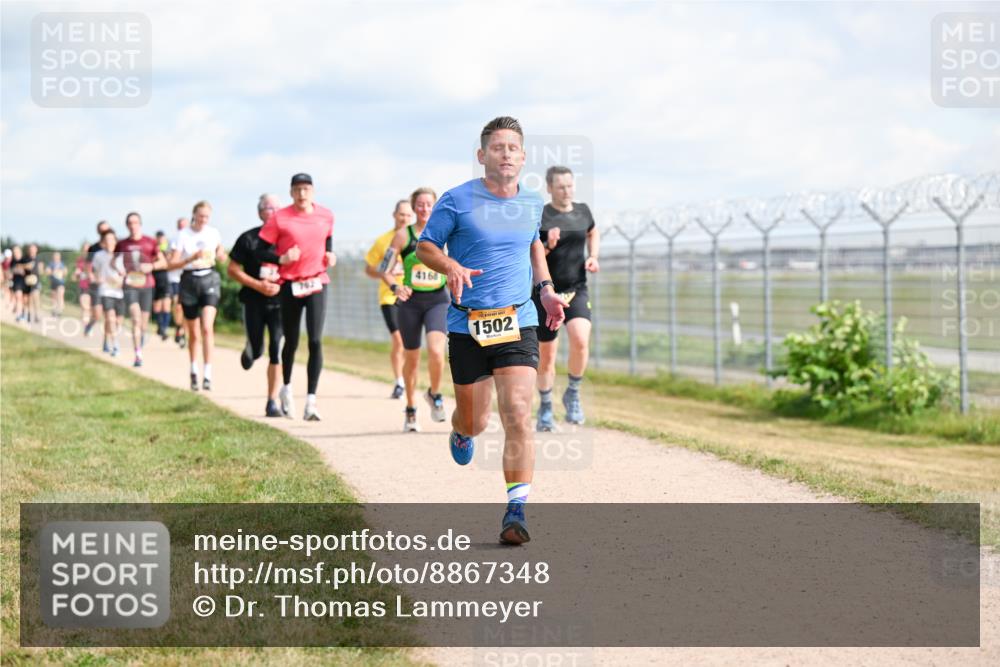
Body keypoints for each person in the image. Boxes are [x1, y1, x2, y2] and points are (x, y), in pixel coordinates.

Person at [416, 116, 567, 545]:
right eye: (497, 148)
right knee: (476, 420)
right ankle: (460, 430)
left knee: (518, 411)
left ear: (523, 157)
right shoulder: (456, 200)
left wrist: (546, 290)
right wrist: (450, 265)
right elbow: (425, 246)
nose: (506, 154)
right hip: (468, 324)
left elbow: (533, 245)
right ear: (482, 155)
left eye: (513, 148)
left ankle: (515, 511)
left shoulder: (532, 203)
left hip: (518, 319)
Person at [258, 173, 335, 421]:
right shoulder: (280, 218)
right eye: (297, 190)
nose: (302, 194)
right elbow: (260, 250)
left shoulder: (326, 215)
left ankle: (311, 401)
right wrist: (280, 258)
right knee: (291, 341)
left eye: (306, 189)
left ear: (313, 191)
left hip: (317, 282)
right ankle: (287, 388)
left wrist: (330, 255)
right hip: (290, 284)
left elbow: (327, 240)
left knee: (315, 340)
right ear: (291, 193)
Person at [533, 166, 600, 429]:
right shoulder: (541, 216)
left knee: (581, 340)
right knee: (547, 356)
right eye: (561, 187)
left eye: (570, 186)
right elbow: (532, 257)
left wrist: (593, 256)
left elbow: (593, 231)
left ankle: (572, 393)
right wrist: (548, 245)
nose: (566, 191)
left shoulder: (583, 211)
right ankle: (545, 406)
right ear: (549, 188)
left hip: (576, 289)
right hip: (546, 293)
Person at [379, 187, 449, 432]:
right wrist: (396, 287)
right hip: (410, 302)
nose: (424, 209)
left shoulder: (444, 232)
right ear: (414, 207)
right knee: (412, 357)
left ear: (435, 206)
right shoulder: (403, 235)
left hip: (438, 300)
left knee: (437, 351)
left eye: (429, 204)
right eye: (420, 204)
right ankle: (410, 409)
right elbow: (384, 269)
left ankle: (435, 394)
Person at [228, 194, 284, 417]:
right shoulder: (248, 239)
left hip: (280, 302)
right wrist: (258, 285)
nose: (273, 211)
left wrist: (280, 285)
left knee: (277, 349)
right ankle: (251, 349)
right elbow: (232, 269)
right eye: (268, 208)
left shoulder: (287, 239)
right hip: (253, 300)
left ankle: (272, 401)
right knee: (259, 348)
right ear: (260, 213)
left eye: (276, 208)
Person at [167, 201, 227, 391]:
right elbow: (172, 264)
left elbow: (220, 251)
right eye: (200, 216)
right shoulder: (183, 235)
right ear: (194, 215)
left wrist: (221, 255)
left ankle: (208, 373)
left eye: (207, 217)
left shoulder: (213, 233)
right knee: (194, 332)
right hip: (189, 280)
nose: (203, 220)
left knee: (207, 328)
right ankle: (194, 369)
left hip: (209, 278)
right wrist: (191, 258)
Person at [364, 199, 411, 400]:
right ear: (394, 215)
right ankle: (399, 381)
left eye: (408, 215)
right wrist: (385, 273)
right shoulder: (383, 241)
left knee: (409, 342)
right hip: (389, 296)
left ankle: (408, 379)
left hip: (412, 295)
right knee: (398, 340)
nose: (404, 219)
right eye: (401, 214)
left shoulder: (416, 239)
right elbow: (369, 269)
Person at [115, 212, 167, 367]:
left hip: (147, 285)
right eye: (130, 223)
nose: (133, 226)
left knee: (143, 324)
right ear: (127, 225)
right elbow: (113, 261)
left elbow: (163, 262)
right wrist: (120, 270)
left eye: (135, 222)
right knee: (135, 318)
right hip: (130, 285)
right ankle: (138, 355)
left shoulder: (150, 242)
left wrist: (151, 266)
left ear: (140, 224)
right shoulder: (122, 244)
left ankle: (140, 339)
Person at [91, 230, 125, 356]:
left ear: (115, 241)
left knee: (118, 321)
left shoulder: (121, 255)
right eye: (107, 240)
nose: (109, 242)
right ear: (103, 242)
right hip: (105, 290)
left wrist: (122, 280)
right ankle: (115, 344)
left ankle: (106, 339)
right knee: (110, 317)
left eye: (112, 239)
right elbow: (94, 271)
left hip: (119, 291)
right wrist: (97, 278)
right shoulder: (98, 255)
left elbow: (125, 272)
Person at [84, 221, 112, 336]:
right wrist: (91, 276)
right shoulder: (94, 248)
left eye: (107, 230)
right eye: (102, 230)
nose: (104, 232)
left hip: (111, 284)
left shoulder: (117, 246)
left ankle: (107, 340)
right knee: (97, 314)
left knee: (109, 315)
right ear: (98, 232)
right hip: (97, 284)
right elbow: (88, 265)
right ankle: (90, 325)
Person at [168, 217, 189, 348]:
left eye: (184, 226)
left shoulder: (193, 239)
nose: (182, 228)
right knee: (178, 306)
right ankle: (178, 326)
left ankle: (183, 332)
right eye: (180, 226)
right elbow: (169, 260)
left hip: (189, 277)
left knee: (188, 307)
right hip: (175, 278)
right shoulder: (173, 240)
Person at [152, 231, 172, 340]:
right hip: (154, 279)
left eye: (162, 238)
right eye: (158, 238)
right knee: (157, 306)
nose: (160, 240)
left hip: (165, 279)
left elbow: (169, 262)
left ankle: (164, 328)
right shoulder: (153, 249)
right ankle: (160, 326)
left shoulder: (168, 248)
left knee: (166, 305)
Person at [72, 243, 93, 331]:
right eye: (84, 249)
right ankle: (86, 327)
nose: (86, 251)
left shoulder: (93, 260)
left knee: (88, 308)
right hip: (82, 285)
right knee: (84, 306)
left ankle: (88, 326)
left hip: (92, 286)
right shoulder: (80, 260)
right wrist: (76, 274)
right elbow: (76, 274)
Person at [22, 244, 42, 323]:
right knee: (28, 299)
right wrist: (27, 266)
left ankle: (37, 315)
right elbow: (22, 267)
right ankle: (29, 315)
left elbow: (41, 270)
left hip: (36, 281)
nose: (32, 250)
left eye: (33, 249)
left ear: (36, 250)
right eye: (31, 249)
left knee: (36, 298)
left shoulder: (39, 259)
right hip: (27, 281)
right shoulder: (26, 258)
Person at [46, 251, 67, 317]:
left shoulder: (62, 264)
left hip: (60, 282)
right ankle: (54, 310)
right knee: (54, 297)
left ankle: (59, 311)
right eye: (55, 256)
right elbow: (47, 271)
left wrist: (61, 272)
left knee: (60, 296)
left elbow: (65, 272)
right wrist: (53, 272)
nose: (56, 257)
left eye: (57, 256)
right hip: (53, 282)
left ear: (59, 257)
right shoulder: (51, 264)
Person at [9, 245, 26, 321]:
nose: (16, 253)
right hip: (17, 282)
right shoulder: (13, 261)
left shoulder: (24, 260)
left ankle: (23, 313)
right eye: (14, 252)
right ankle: (19, 315)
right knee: (18, 297)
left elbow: (25, 271)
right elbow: (11, 272)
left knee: (24, 299)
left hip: (25, 282)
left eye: (17, 252)